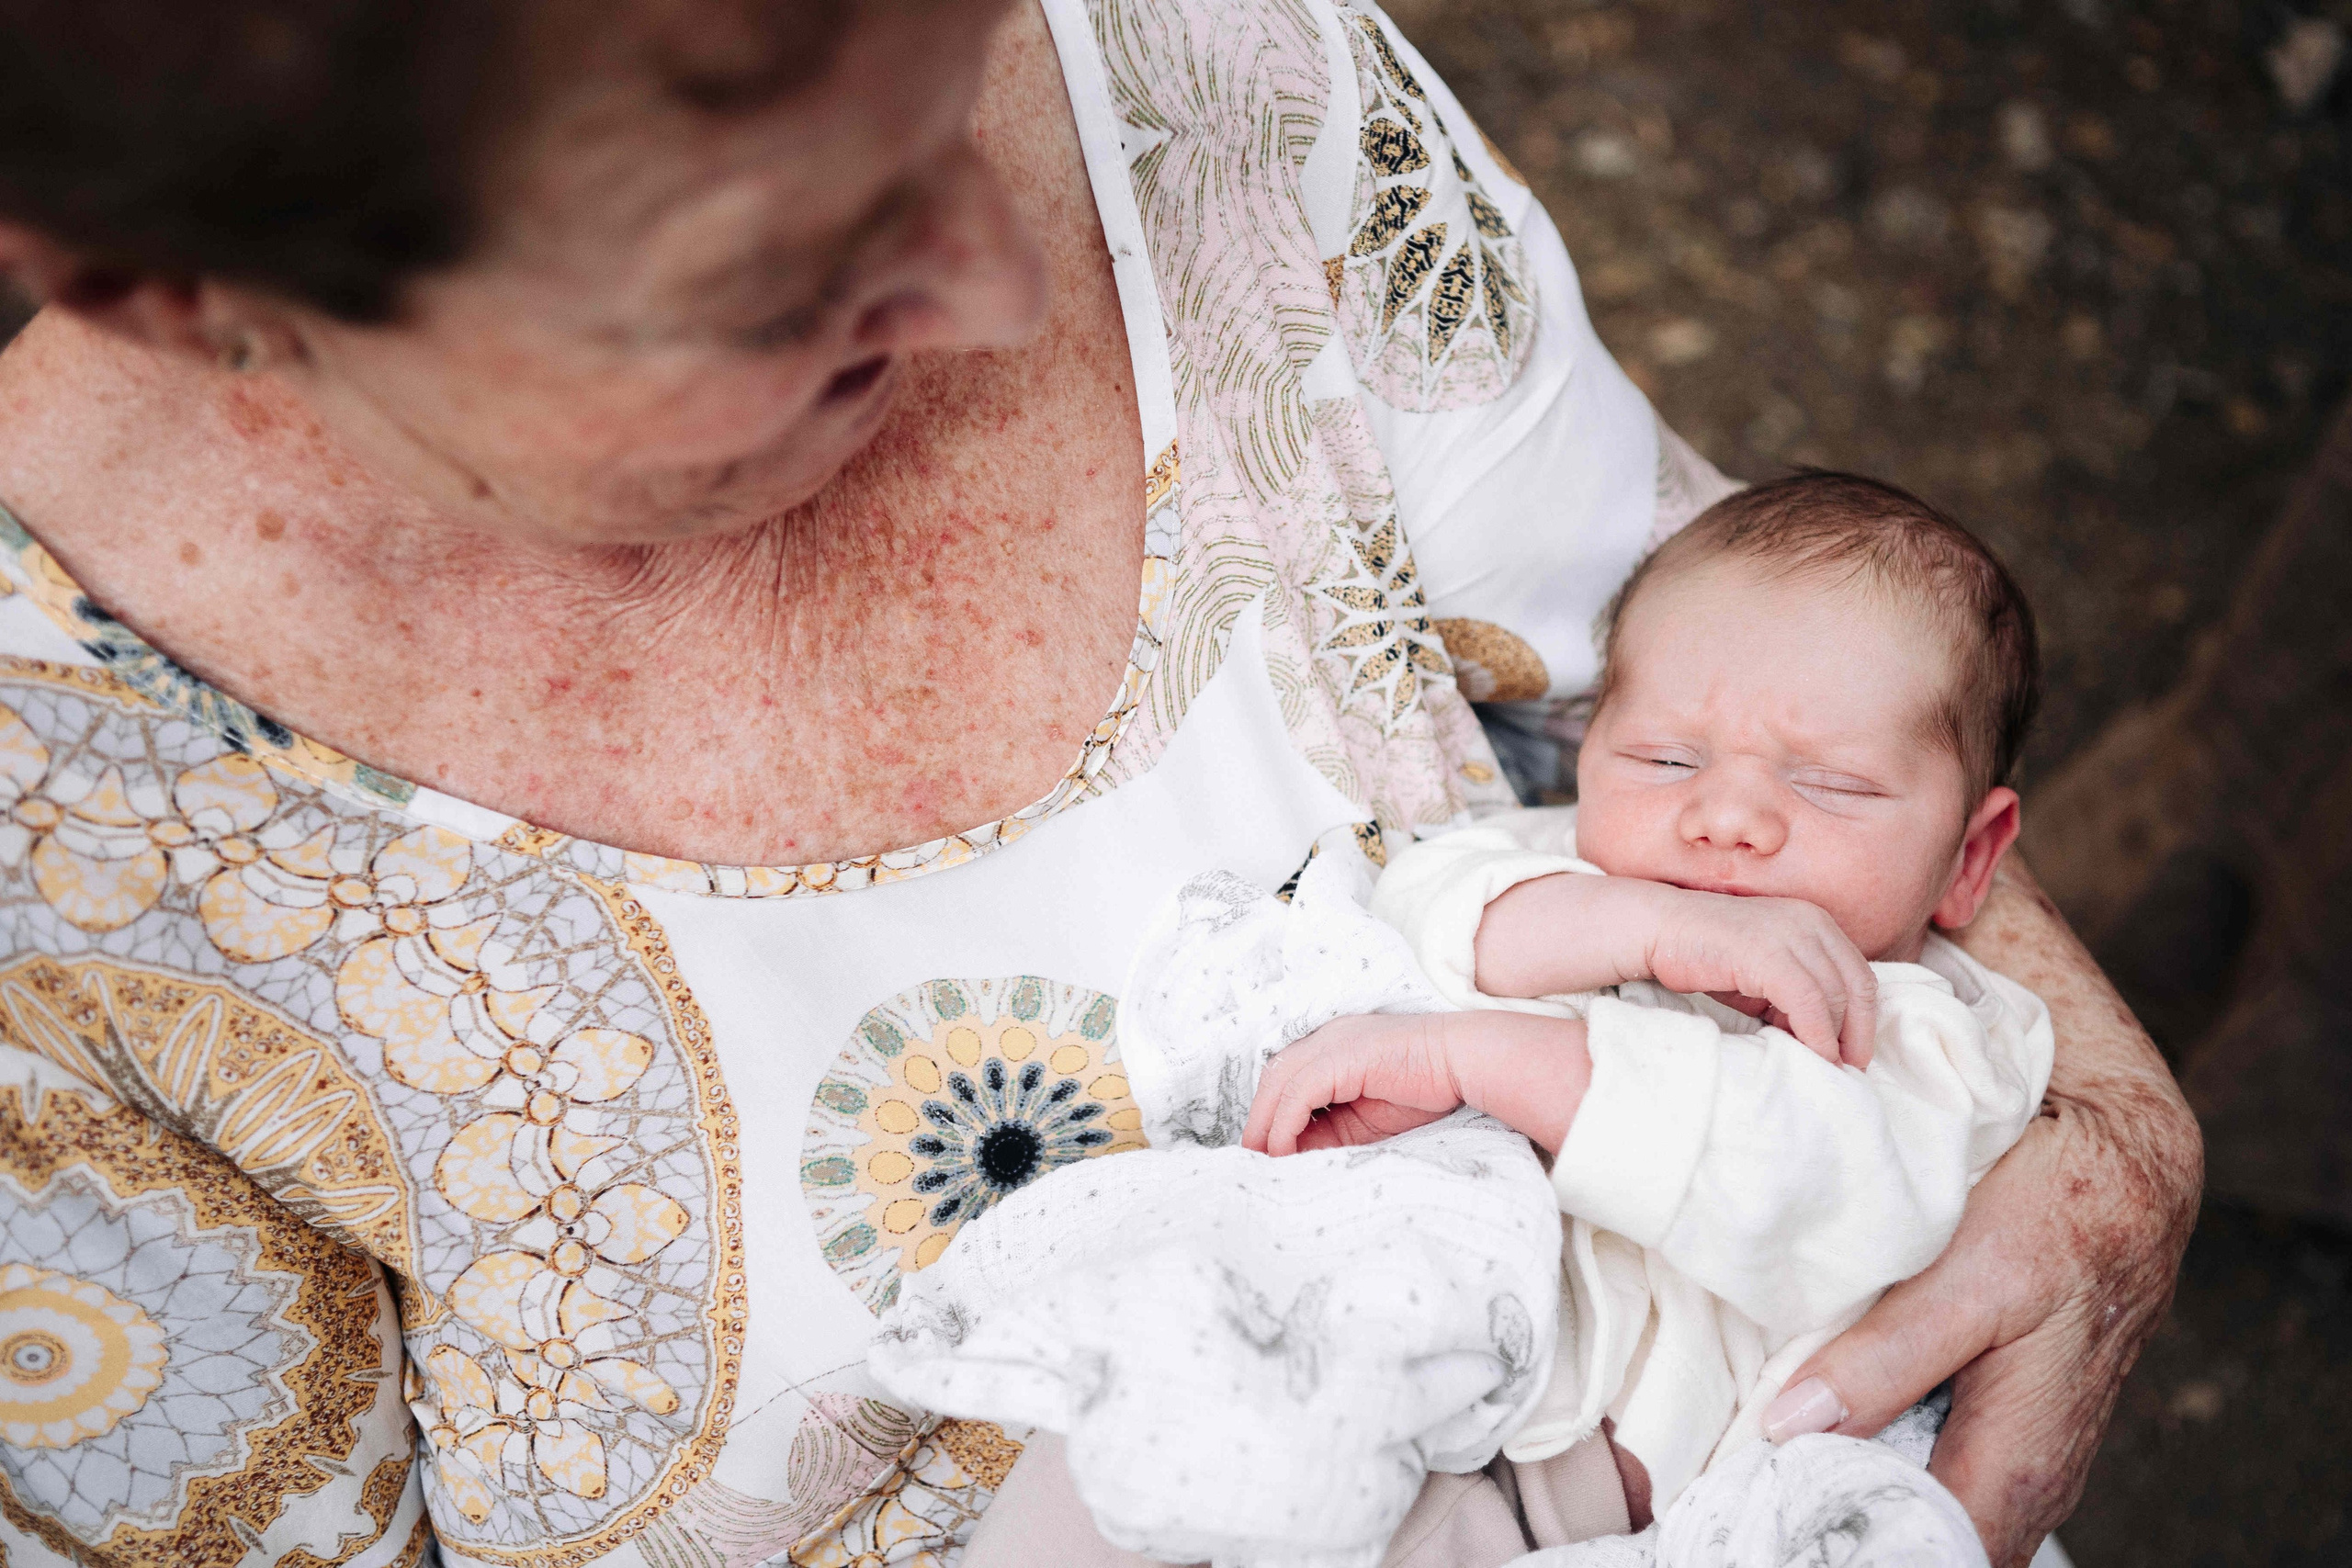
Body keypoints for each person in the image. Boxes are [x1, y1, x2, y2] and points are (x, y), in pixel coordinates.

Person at [0, 2, 2196, 1565]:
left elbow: (1773, 670)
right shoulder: (58, 878)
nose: (995, 273)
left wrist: (2108, 1116)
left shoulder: (1201, 65)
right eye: (767, 254)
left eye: (942, 70)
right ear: (173, 286)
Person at [869, 472, 2055, 1568]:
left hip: (1571, 1495)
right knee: (1122, 1450)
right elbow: (1440, 913)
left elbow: (1823, 1193)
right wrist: (1643, 928)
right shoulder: (1581, 879)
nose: (1727, 815)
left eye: (1828, 784)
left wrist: (1476, 1057)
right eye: (1663, 757)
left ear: (1970, 855)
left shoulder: (1935, 1041)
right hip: (1401, 1338)